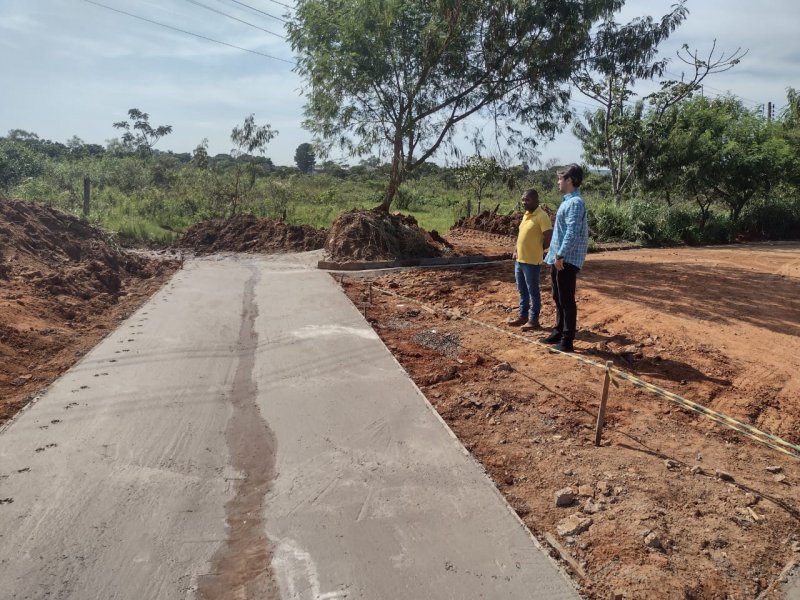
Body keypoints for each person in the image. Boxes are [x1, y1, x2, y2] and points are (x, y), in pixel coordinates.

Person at [541, 164, 589, 353]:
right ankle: (558, 331)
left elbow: (572, 232)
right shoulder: (568, 201)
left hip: (566, 259)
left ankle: (567, 340)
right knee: (558, 297)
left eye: (560, 178)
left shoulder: (575, 203)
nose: (558, 182)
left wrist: (560, 254)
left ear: (569, 180)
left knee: (566, 299)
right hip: (559, 258)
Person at [507, 188, 552, 332]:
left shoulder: (542, 216)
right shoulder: (526, 215)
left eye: (527, 200)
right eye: (523, 200)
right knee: (522, 290)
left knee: (533, 291)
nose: (524, 202)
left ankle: (534, 320)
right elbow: (521, 236)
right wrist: (515, 251)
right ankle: (523, 316)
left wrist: (538, 249)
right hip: (520, 260)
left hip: (532, 261)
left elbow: (548, 238)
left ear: (536, 200)